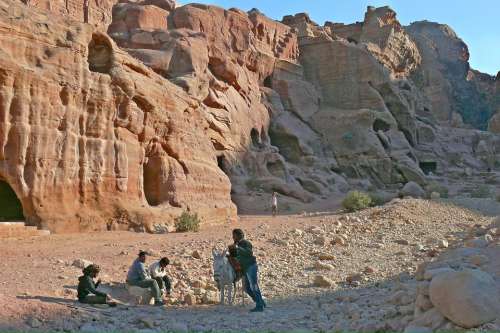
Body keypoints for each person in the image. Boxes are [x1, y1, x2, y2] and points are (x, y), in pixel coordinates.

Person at [230, 229, 265, 312]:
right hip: (244, 269)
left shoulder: (246, 243)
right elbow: (234, 258)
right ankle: (260, 301)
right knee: (247, 288)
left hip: (251, 266)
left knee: (254, 286)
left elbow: (249, 253)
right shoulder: (234, 245)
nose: (233, 237)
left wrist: (238, 248)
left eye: (234, 236)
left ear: (239, 236)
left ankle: (259, 306)